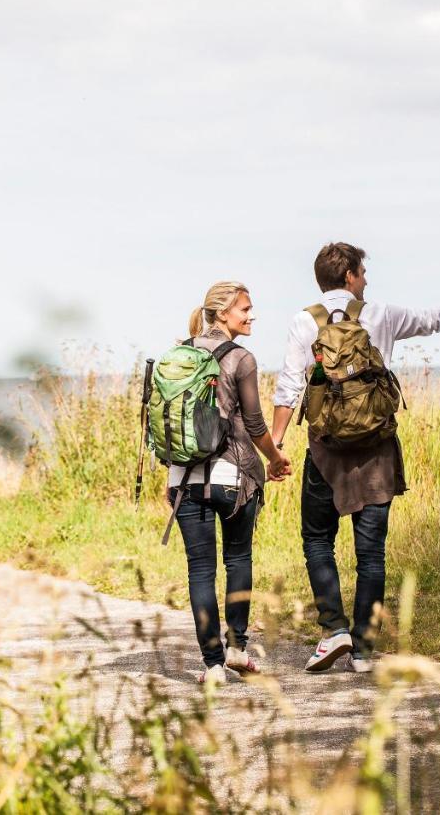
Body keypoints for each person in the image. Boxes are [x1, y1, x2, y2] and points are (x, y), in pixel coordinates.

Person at [271, 243, 440, 673]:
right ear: (348, 275)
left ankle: (334, 631)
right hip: (376, 449)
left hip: (325, 450)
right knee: (371, 552)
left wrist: (275, 446)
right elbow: (437, 319)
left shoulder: (303, 321)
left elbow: (288, 386)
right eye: (362, 272)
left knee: (317, 539)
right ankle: (364, 650)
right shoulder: (379, 314)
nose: (366, 280)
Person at [172, 281, 292, 685]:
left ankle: (212, 666)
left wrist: (172, 476)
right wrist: (274, 458)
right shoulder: (241, 358)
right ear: (222, 313)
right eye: (245, 309)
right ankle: (237, 649)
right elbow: (255, 423)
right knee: (238, 560)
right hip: (232, 478)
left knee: (200, 571)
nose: (251, 315)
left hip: (184, 480)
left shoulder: (180, 354)